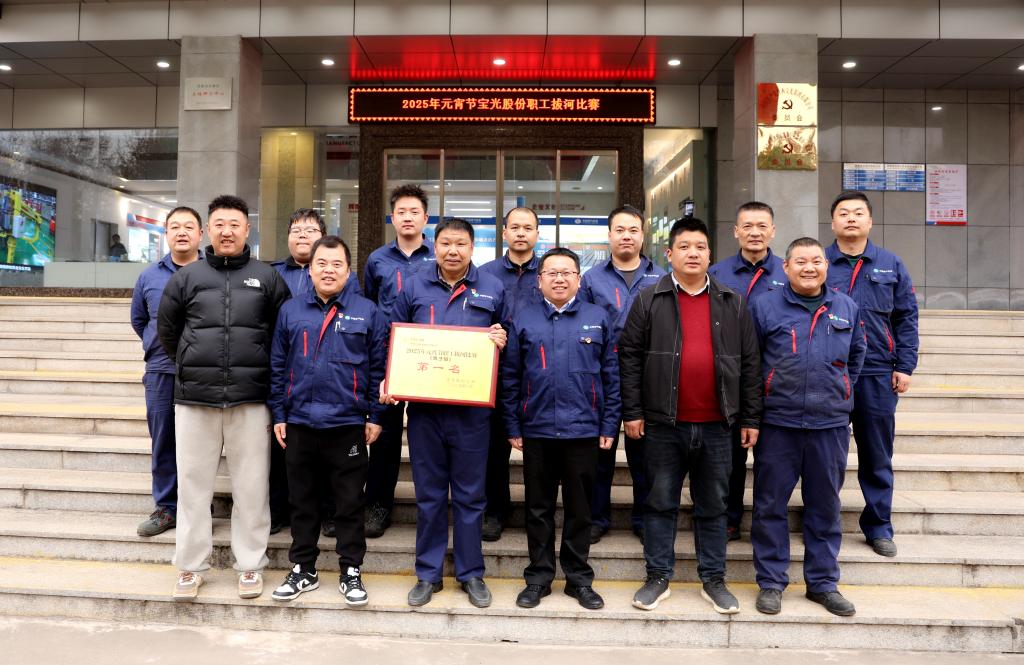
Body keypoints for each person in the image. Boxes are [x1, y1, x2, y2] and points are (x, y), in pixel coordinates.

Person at [618, 217, 761, 614]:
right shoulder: (649, 299)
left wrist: (751, 418)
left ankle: (713, 579)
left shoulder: (732, 302)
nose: (692, 253)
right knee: (659, 503)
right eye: (684, 247)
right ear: (669, 254)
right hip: (663, 425)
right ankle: (657, 576)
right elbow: (629, 357)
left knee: (713, 505)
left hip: (719, 426)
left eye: (700, 247)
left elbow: (750, 363)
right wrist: (632, 411)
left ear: (710, 254)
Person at [157, 195, 290, 602]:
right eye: (219, 224)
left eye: (235, 224)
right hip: (195, 399)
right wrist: (191, 362)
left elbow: (283, 334)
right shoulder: (187, 277)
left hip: (251, 399)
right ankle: (190, 566)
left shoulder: (267, 277)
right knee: (193, 487)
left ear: (247, 229)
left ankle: (250, 564)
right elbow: (168, 330)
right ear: (207, 231)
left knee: (252, 487)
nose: (227, 231)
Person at [382, 218, 507, 609]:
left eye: (461, 244)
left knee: (471, 496)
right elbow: (393, 336)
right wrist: (391, 378)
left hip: (472, 414)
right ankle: (428, 573)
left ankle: (471, 574)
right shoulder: (414, 286)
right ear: (434, 246)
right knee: (430, 495)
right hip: (425, 412)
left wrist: (501, 339)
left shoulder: (492, 287)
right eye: (446, 243)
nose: (453, 251)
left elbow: (510, 339)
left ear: (473, 248)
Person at [749, 237, 866, 617]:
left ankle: (823, 583)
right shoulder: (764, 306)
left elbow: (857, 356)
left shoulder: (845, 307)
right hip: (777, 423)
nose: (809, 268)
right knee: (770, 505)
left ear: (826, 266)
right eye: (800, 261)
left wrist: (839, 391)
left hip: (828, 425)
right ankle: (771, 582)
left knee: (825, 506)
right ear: (786, 267)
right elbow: (751, 362)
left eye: (816, 261)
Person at [268, 235, 387, 606]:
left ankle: (351, 569)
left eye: (337, 264)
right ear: (310, 269)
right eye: (321, 264)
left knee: (349, 503)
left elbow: (378, 369)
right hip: (300, 422)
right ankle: (304, 568)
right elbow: (277, 366)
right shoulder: (291, 311)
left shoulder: (368, 312)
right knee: (302, 501)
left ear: (349, 271)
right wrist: (279, 414)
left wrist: (376, 415)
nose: (328, 270)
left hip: (347, 423)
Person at [502, 247, 618, 611]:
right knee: (537, 508)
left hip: (584, 430)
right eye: (551, 273)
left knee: (580, 510)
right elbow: (510, 377)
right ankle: (538, 577)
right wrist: (512, 423)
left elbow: (612, 377)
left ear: (579, 279)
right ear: (539, 281)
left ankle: (578, 578)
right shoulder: (523, 320)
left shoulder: (598, 318)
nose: (559, 279)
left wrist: (609, 423)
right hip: (537, 430)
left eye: (567, 272)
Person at [825, 190, 918, 558]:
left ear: (870, 221)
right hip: (830, 373)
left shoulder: (890, 264)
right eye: (843, 213)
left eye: (858, 213)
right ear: (832, 222)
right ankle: (822, 523)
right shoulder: (819, 263)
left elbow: (906, 317)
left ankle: (878, 526)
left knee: (877, 454)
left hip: (877, 372)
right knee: (826, 455)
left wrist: (905, 366)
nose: (851, 218)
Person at [578, 204, 665, 544]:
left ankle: (643, 518)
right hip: (602, 376)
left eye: (633, 230)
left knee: (646, 457)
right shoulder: (591, 279)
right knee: (599, 454)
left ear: (643, 235)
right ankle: (596, 517)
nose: (626, 236)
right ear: (609, 235)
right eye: (620, 230)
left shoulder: (662, 277)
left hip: (648, 377)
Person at [707, 201, 786, 542]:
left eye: (762, 226)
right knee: (731, 456)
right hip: (729, 377)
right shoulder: (717, 273)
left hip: (775, 377)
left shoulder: (788, 271)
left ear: (773, 231)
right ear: (736, 231)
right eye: (748, 226)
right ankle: (729, 518)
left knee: (772, 457)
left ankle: (768, 523)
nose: (755, 233)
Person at [362, 184, 435, 539]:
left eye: (414, 212)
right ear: (392, 218)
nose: (407, 217)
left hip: (430, 355)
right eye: (401, 212)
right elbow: (370, 304)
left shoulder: (438, 255)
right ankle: (378, 505)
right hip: (387, 354)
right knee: (385, 435)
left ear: (425, 218)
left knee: (430, 433)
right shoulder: (377, 259)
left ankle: (431, 509)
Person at [130, 207, 202, 537]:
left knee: (200, 442)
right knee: (163, 440)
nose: (182, 232)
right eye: (175, 227)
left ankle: (197, 504)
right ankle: (167, 507)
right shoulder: (149, 276)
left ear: (200, 234)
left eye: (188, 226)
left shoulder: (213, 273)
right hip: (161, 369)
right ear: (166, 233)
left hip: (203, 371)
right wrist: (154, 342)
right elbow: (139, 320)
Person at [478, 206, 543, 541]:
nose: (521, 233)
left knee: (539, 449)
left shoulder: (549, 272)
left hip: (539, 373)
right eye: (514, 227)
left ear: (537, 234)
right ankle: (495, 511)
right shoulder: (485, 275)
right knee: (493, 449)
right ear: (503, 233)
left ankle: (538, 513)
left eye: (527, 227)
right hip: (495, 373)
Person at [270, 208, 326, 537]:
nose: (303, 235)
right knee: (281, 447)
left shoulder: (342, 275)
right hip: (284, 370)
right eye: (297, 230)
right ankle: (279, 509)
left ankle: (328, 511)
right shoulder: (272, 273)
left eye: (311, 230)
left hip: (325, 372)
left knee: (328, 447)